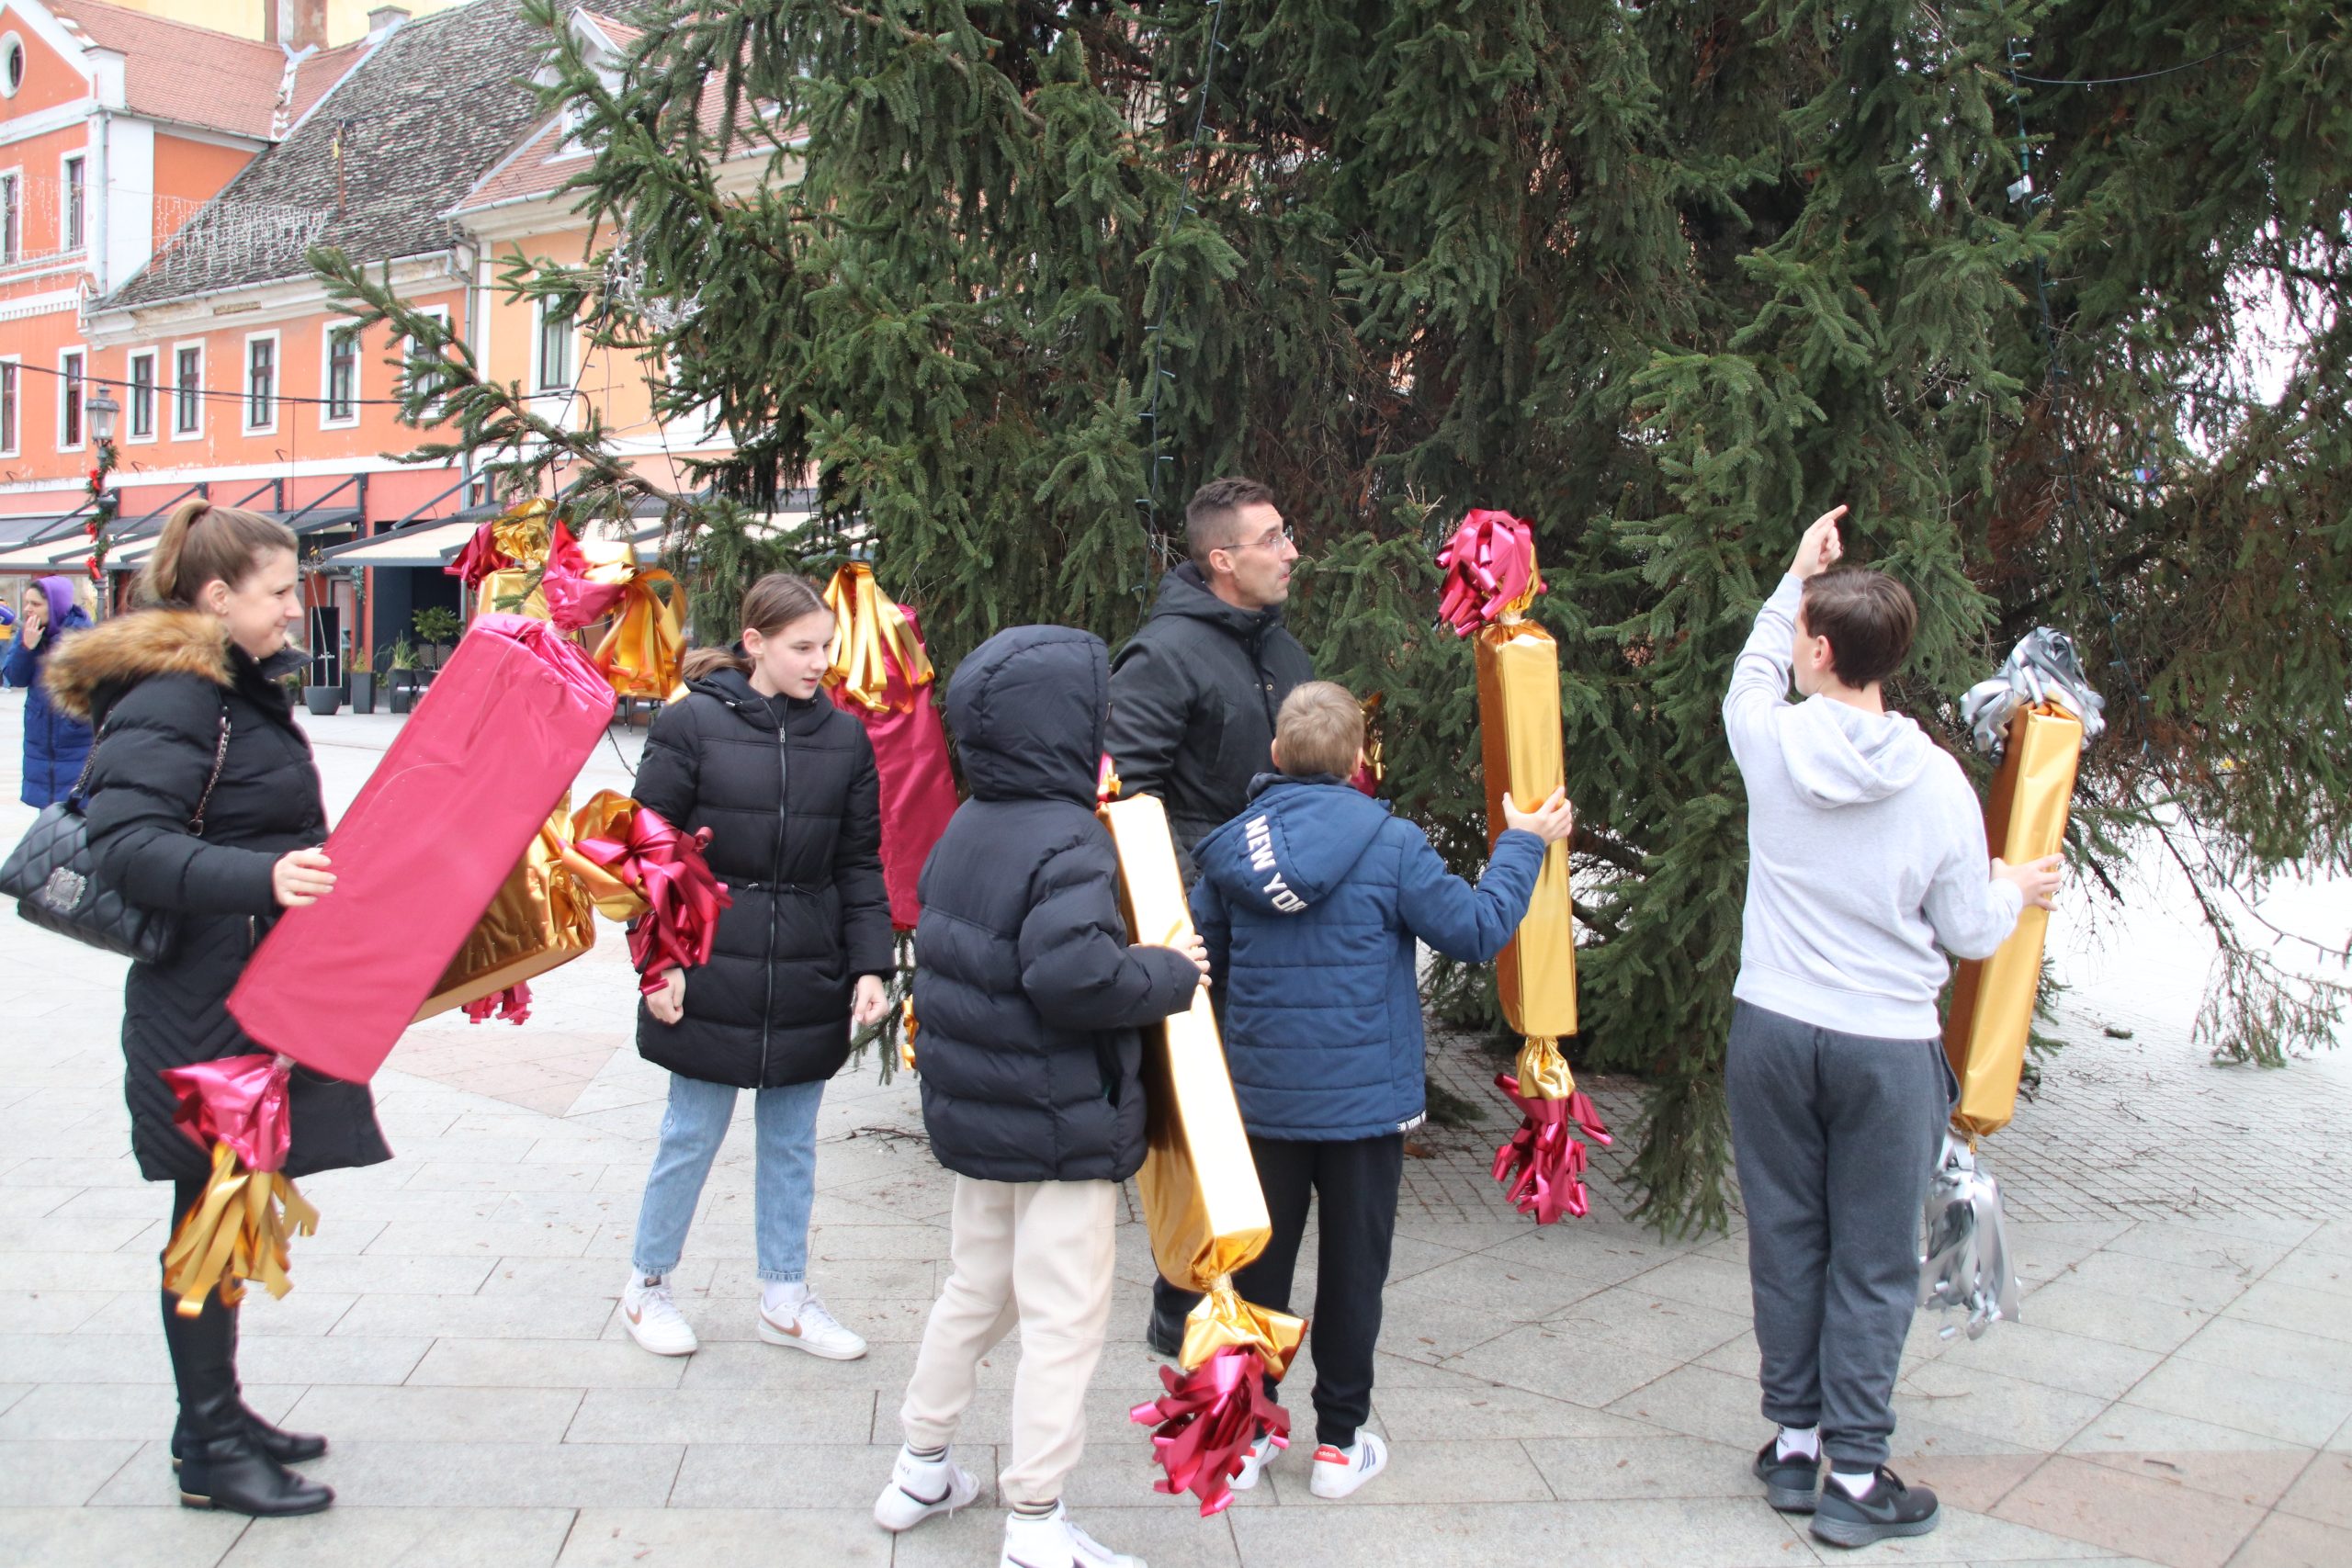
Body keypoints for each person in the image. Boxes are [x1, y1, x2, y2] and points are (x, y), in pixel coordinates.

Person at [1724, 507, 2064, 1549]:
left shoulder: (1770, 741)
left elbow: (1750, 670)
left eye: (1804, 633)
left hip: (1773, 1030)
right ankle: (1857, 1477)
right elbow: (1968, 930)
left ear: (1821, 653)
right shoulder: (1939, 784)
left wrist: (1793, 573)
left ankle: (1794, 1447)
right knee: (1873, 1258)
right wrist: (2014, 886)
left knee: (1787, 1238)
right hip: (1885, 1047)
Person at [45, 500, 390, 1517]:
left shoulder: (229, 688)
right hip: (201, 1008)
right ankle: (209, 1446)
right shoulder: (175, 695)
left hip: (242, 992)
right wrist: (264, 877)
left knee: (228, 1210)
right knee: (207, 1215)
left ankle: (219, 1414)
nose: (293, 608)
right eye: (278, 591)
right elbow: (127, 846)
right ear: (215, 596)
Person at [1188, 682, 1574, 1499]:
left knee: (1257, 1270)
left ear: (1275, 754)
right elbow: (1476, 929)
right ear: (1360, 760)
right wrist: (1523, 843)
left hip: (1262, 1103)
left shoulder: (1231, 848)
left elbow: (1202, 967)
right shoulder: (1393, 843)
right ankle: (1338, 1443)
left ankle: (1248, 1435)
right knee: (1354, 1273)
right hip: (1365, 1111)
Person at [874, 625, 1207, 1568]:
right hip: (1059, 1120)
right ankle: (1034, 1519)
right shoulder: (1067, 838)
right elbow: (1073, 978)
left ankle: (920, 1466)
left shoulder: (969, 823)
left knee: (975, 1289)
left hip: (984, 1116)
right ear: (1062, 724)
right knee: (1063, 1319)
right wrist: (1168, 970)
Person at [616, 572, 894, 1361]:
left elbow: (858, 862)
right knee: (691, 1132)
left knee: (793, 1141)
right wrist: (660, 962)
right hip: (708, 959)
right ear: (755, 643)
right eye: (802, 647)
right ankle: (647, 1284)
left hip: (807, 962)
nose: (819, 662)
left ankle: (785, 1295)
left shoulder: (844, 740)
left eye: (826, 646)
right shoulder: (691, 725)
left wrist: (869, 965)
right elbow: (647, 851)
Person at [1105, 476, 1315, 1353]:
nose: (1291, 551)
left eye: (1287, 533)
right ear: (1222, 559)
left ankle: (1246, 1286)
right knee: (1206, 1115)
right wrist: (1201, 898)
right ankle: (1183, 1302)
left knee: (1264, 1113)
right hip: (1205, 929)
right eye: (1272, 539)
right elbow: (1126, 798)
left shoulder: (1284, 650)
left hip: (1285, 925)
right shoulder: (1163, 656)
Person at [7, 574, 96, 807]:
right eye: (26, 602)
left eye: (35, 604)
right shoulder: (29, 633)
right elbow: (15, 678)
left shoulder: (82, 637)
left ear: (56, 605)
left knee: (77, 812)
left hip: (75, 741)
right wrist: (26, 648)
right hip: (40, 741)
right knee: (47, 815)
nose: (28, 609)